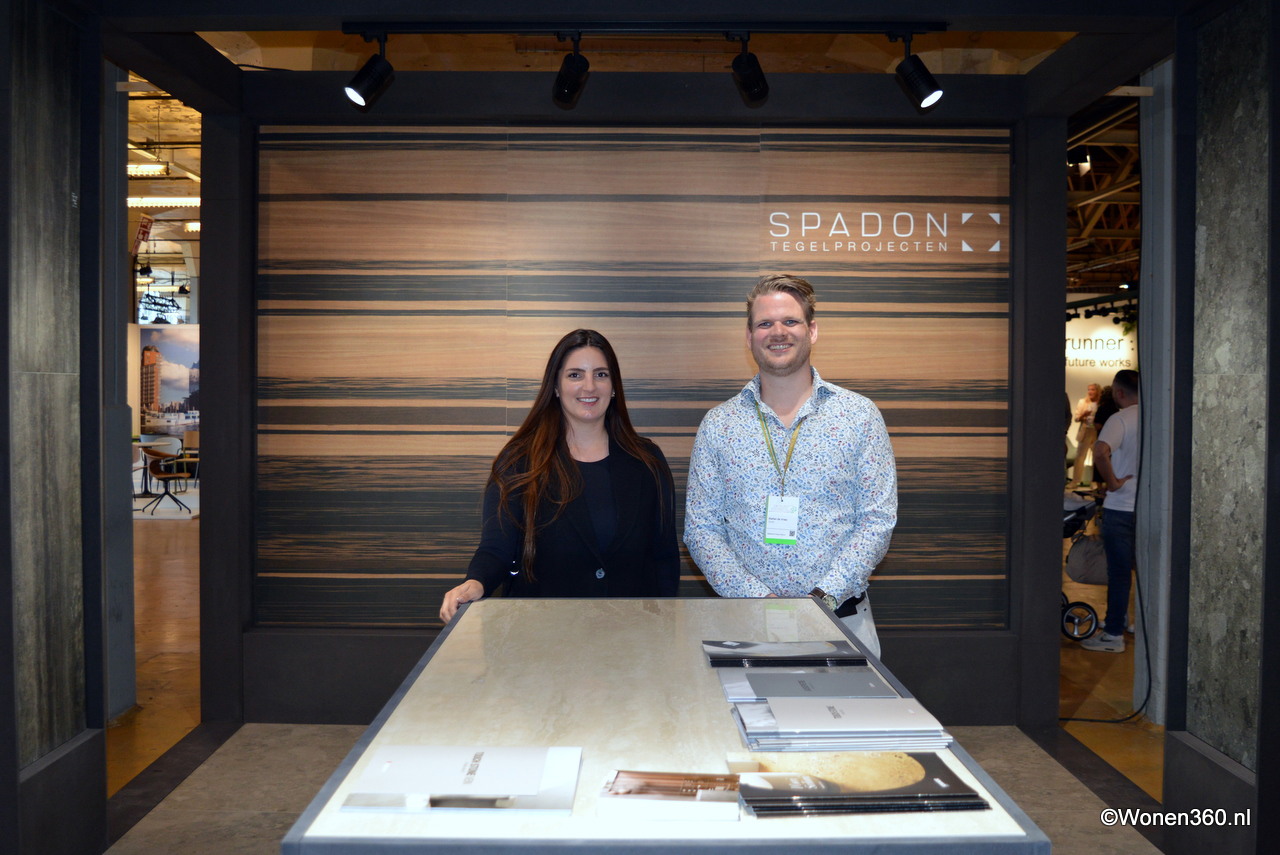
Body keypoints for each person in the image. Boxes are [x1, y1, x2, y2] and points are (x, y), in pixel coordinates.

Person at [683, 274, 897, 659]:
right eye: (765, 323)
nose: (778, 332)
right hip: (745, 625)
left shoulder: (859, 416)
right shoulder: (719, 425)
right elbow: (702, 529)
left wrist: (821, 598)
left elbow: (877, 520)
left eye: (790, 321)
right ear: (749, 336)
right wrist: (758, 600)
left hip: (841, 622)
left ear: (812, 330)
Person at [439, 329, 679, 622]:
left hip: (631, 633)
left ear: (614, 386)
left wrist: (664, 627)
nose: (589, 386)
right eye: (575, 375)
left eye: (601, 375)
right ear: (555, 386)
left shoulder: (647, 460)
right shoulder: (519, 461)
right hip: (542, 634)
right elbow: (496, 549)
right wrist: (476, 581)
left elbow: (664, 558)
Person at [1079, 369, 1140, 653]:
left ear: (1118, 392)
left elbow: (1100, 451)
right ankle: (1133, 623)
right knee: (1145, 572)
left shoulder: (1120, 419)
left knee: (1119, 573)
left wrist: (1113, 483)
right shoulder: (1156, 417)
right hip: (1148, 508)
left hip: (1121, 507)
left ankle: (1113, 633)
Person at [1069, 382, 1101, 487]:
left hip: (1096, 432)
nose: (1090, 392)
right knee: (1080, 457)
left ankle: (1094, 482)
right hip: (1085, 431)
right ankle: (1075, 481)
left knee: (1096, 458)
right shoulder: (1082, 402)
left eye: (1093, 389)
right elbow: (1076, 418)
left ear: (1098, 391)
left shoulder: (1100, 403)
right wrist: (1084, 414)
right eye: (1089, 389)